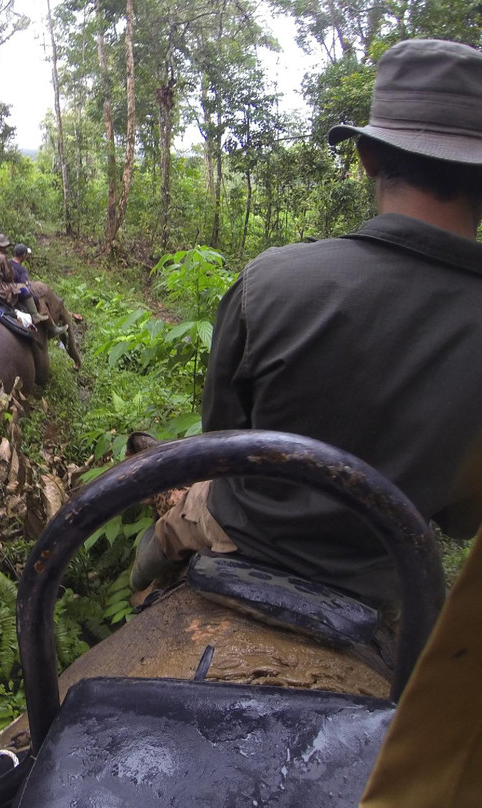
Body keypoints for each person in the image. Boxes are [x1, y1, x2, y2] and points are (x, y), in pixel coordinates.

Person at [130, 39, 482, 620]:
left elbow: (221, 444)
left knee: (161, 540)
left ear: (367, 156)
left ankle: (137, 603)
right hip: (389, 576)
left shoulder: (271, 281)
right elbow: (463, 519)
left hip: (248, 536)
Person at [0, 234, 46, 323]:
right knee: (22, 287)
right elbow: (9, 276)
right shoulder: (1, 257)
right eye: (5, 247)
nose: (6, 249)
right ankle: (34, 314)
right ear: (1, 247)